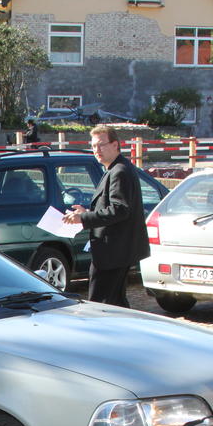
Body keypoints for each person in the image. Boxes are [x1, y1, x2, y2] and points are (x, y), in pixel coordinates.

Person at [62, 125, 149, 307]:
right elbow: (112, 207)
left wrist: (83, 219)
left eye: (101, 145)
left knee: (101, 304)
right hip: (112, 252)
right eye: (94, 146)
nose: (97, 150)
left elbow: (119, 210)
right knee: (114, 303)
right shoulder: (113, 169)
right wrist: (86, 213)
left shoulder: (120, 171)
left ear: (115, 145)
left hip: (113, 252)